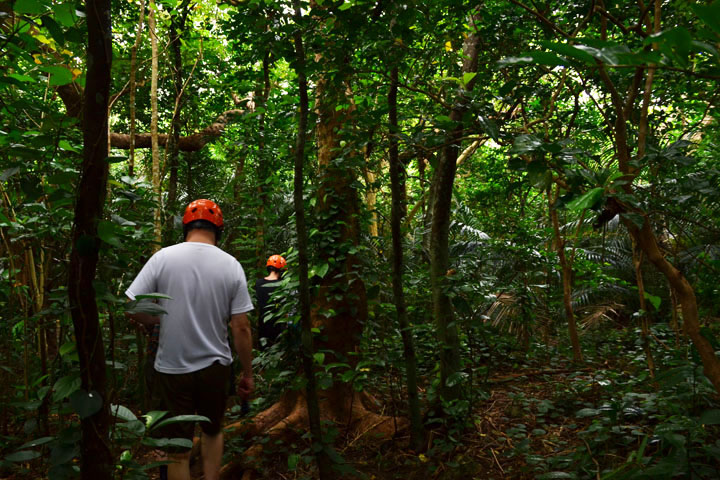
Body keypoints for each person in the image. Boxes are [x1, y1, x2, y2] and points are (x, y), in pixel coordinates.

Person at [125, 199, 254, 480]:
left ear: (185, 226)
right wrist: (247, 372)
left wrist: (157, 320)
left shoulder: (163, 257)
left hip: (172, 366)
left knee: (178, 447)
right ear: (219, 229)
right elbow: (241, 326)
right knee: (212, 431)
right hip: (215, 367)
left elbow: (132, 306)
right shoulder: (231, 265)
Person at [255, 254, 287, 350]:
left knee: (263, 350)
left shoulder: (258, 283)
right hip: (278, 323)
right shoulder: (282, 284)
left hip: (263, 322)